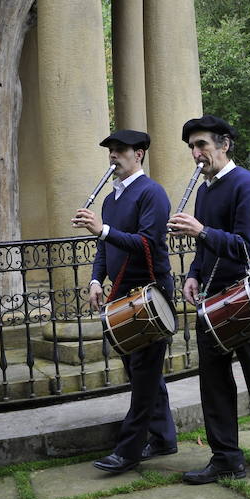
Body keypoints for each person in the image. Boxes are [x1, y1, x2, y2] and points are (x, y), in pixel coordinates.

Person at [168, 115, 250, 483]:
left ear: (224, 145)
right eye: (192, 147)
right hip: (211, 298)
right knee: (213, 380)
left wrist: (202, 230)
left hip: (244, 294)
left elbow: (246, 248)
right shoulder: (206, 189)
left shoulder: (246, 183)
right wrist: (193, 274)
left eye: (202, 145)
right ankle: (225, 457)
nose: (195, 154)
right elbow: (205, 247)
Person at [72, 129, 177, 474]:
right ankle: (163, 438)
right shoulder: (110, 199)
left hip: (149, 294)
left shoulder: (152, 193)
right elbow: (105, 248)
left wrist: (101, 229)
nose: (113, 157)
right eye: (110, 151)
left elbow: (146, 243)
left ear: (139, 154)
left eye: (120, 151)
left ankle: (128, 449)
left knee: (144, 375)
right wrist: (94, 280)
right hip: (120, 293)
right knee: (139, 371)